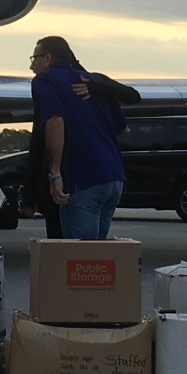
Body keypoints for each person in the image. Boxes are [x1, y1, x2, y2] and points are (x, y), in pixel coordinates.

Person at [20, 45, 140, 237]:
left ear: (48, 58)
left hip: (83, 178)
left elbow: (55, 121)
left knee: (79, 258)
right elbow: (123, 128)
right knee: (96, 259)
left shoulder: (45, 81)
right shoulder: (95, 82)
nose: (32, 66)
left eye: (34, 59)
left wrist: (55, 174)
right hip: (113, 177)